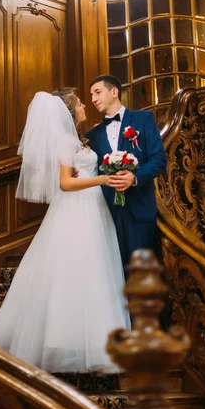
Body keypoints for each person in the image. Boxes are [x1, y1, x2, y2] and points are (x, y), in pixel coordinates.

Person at [0, 88, 130, 374]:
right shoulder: (64, 140)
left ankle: (96, 341)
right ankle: (66, 344)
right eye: (79, 102)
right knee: (73, 273)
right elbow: (65, 183)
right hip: (77, 210)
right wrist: (103, 177)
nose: (85, 104)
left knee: (94, 272)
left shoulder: (76, 139)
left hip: (92, 207)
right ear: (68, 110)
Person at [86, 75, 167, 269]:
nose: (93, 99)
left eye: (97, 92)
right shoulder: (92, 136)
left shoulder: (143, 119)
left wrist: (135, 177)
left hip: (140, 210)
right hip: (107, 215)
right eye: (90, 95)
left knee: (142, 275)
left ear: (114, 92)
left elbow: (159, 159)